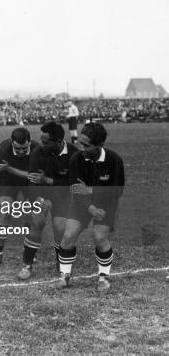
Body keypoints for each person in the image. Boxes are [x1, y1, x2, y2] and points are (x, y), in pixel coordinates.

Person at [57, 122, 125, 291]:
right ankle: (64, 276)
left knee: (99, 237)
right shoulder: (76, 159)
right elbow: (76, 191)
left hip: (106, 204)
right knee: (68, 235)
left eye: (86, 145)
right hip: (82, 203)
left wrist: (91, 190)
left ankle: (103, 278)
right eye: (80, 142)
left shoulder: (114, 160)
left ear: (100, 144)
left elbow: (117, 191)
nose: (81, 147)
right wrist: (90, 208)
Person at [17, 121, 78, 280]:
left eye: (45, 141)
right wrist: (38, 199)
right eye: (41, 140)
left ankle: (61, 262)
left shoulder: (73, 154)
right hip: (42, 195)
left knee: (60, 227)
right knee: (37, 223)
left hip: (63, 196)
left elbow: (74, 184)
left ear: (58, 142)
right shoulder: (37, 153)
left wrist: (49, 181)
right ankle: (27, 265)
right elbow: (32, 181)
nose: (41, 144)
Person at [0, 127, 39, 266]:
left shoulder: (37, 150)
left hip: (29, 182)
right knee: (4, 212)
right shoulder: (3, 150)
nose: (21, 151)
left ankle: (28, 252)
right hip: (8, 180)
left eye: (24, 148)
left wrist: (9, 168)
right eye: (17, 148)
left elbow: (33, 176)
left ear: (29, 142)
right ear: (11, 142)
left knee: (30, 213)